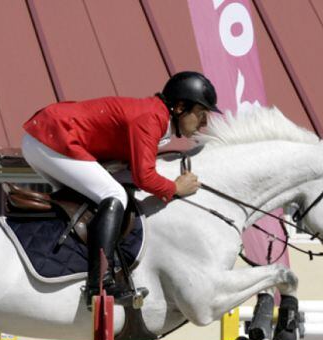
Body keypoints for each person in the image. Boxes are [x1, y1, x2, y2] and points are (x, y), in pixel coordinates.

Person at [21, 71, 220, 307]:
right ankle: (100, 283)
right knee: (113, 195)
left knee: (96, 197)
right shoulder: (151, 118)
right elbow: (144, 177)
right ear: (178, 107)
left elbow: (133, 173)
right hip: (52, 135)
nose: (204, 122)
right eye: (200, 113)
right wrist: (175, 187)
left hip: (45, 135)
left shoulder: (155, 117)